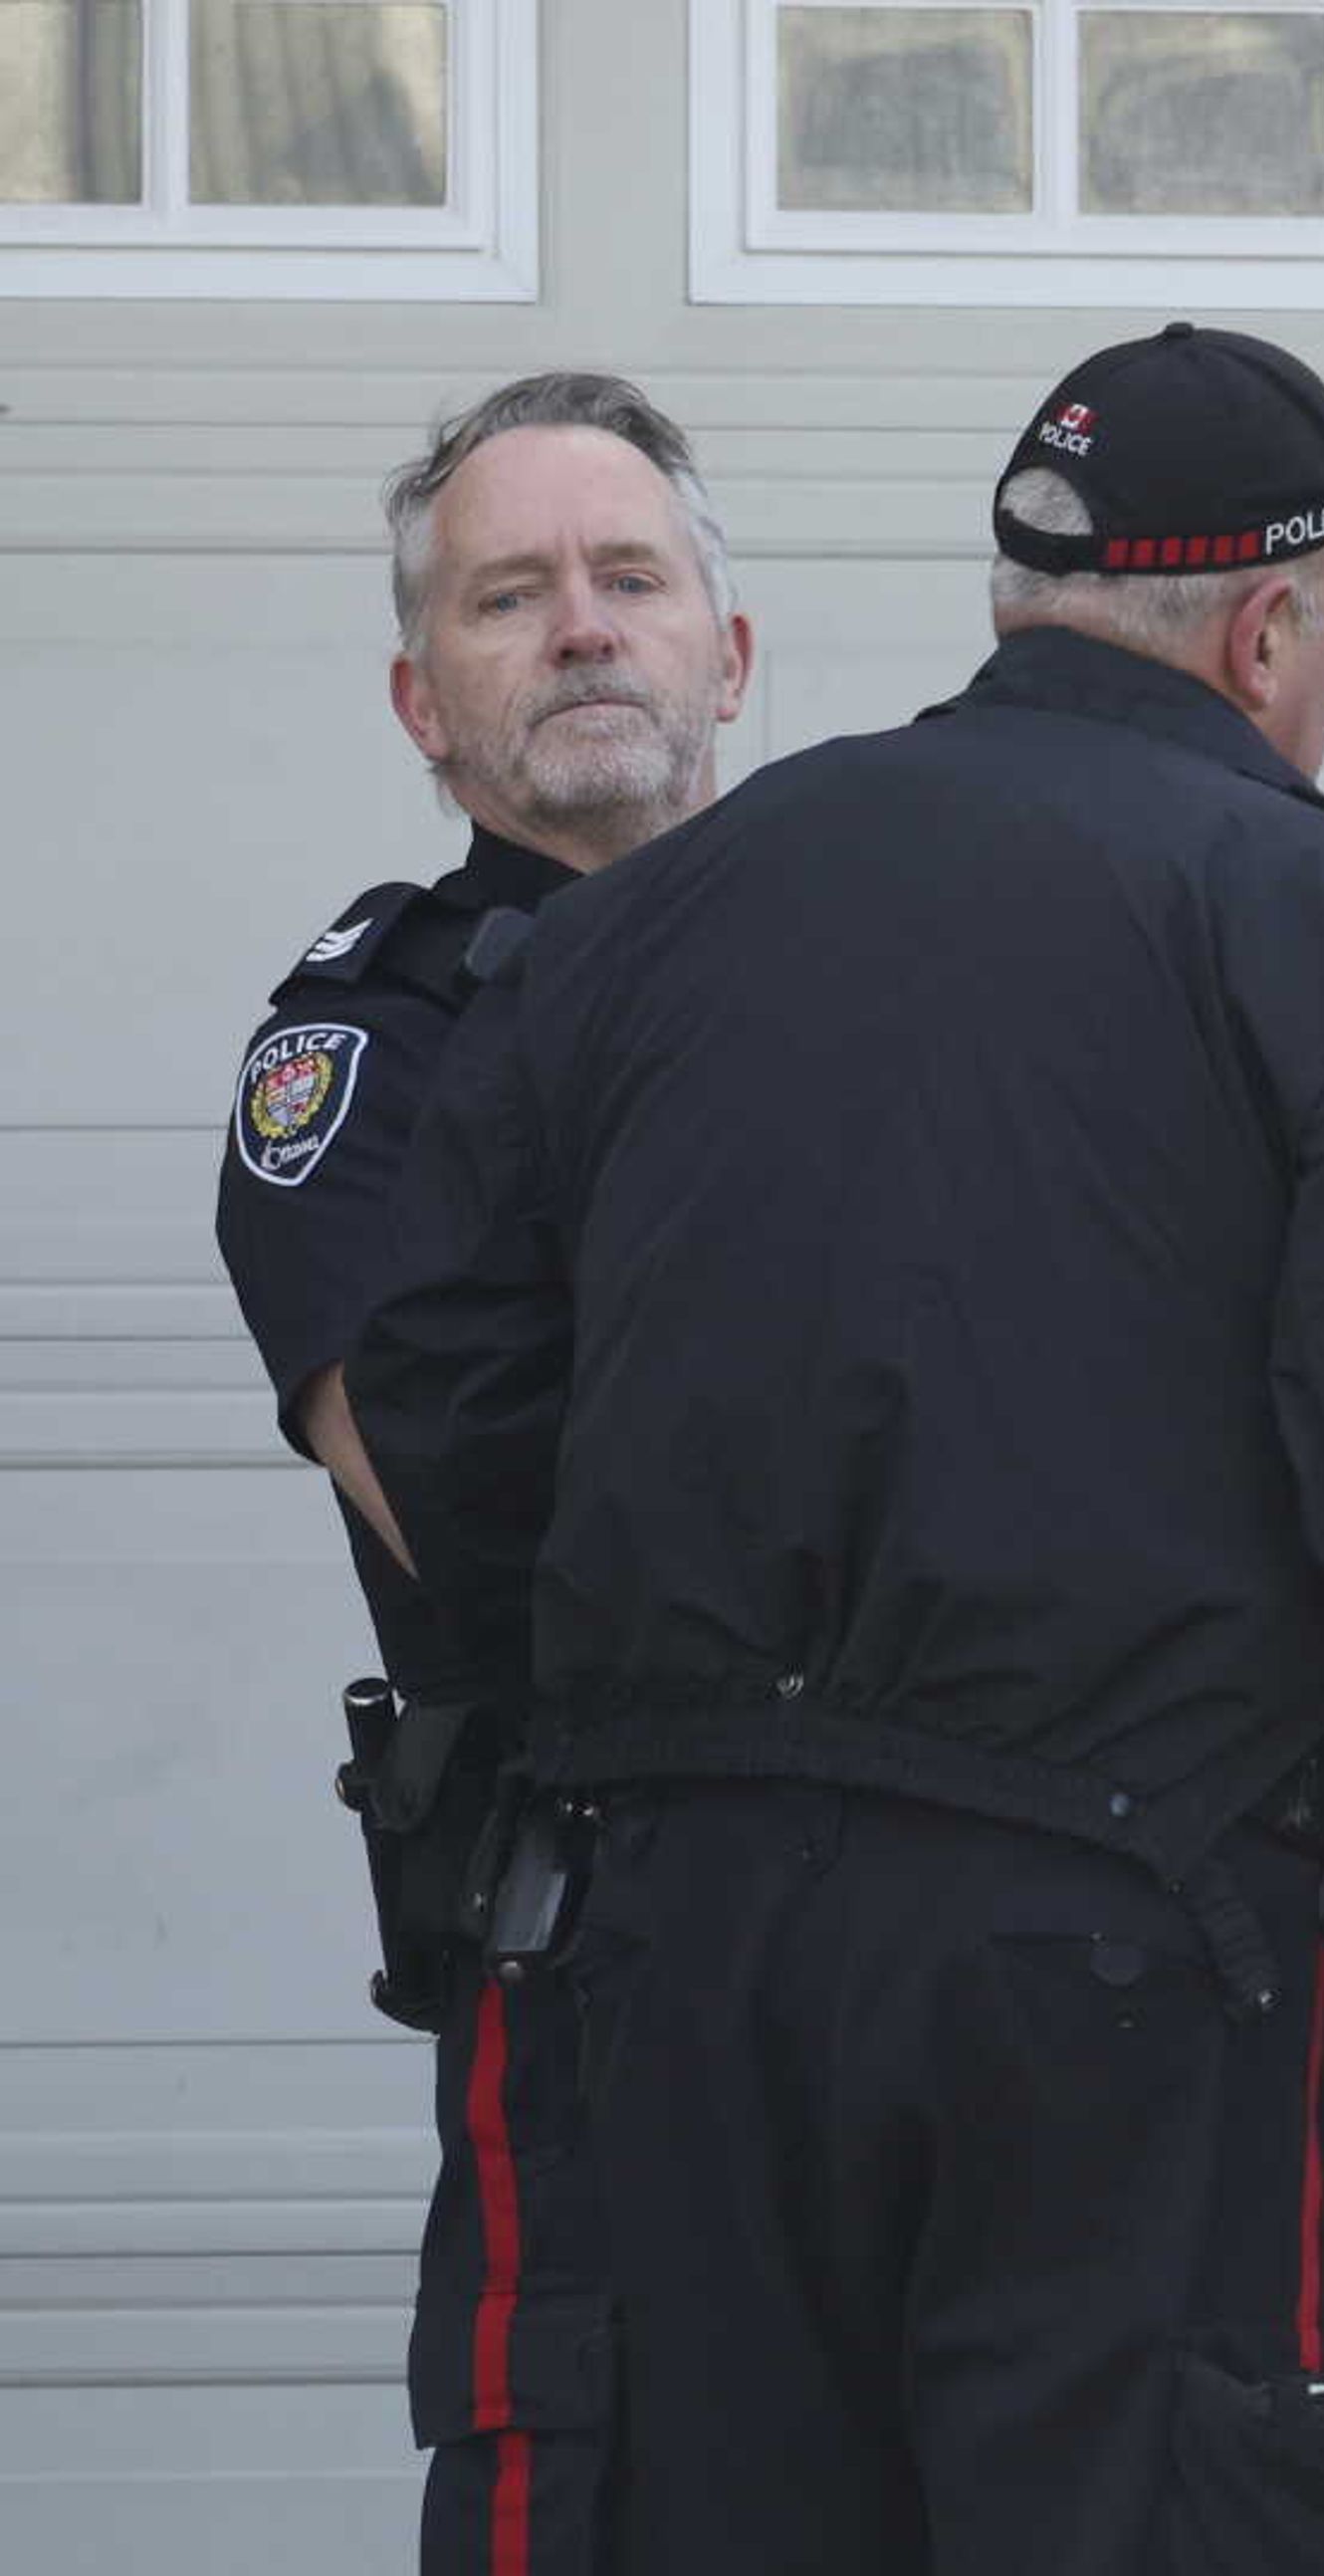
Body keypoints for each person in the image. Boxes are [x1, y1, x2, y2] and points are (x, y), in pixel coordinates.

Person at [342, 323, 1324, 2576]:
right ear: (1272, 628)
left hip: (678, 1966)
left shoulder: (634, 930)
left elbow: (452, 1393)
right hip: (1136, 1967)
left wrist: (645, 1717)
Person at [211, 368, 754, 2576]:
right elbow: (459, 1487)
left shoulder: (912, 973)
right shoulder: (371, 1043)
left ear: (731, 651)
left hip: (953, 1973)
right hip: (603, 1945)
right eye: (511, 596)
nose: (584, 629)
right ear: (423, 699)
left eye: (631, 577)